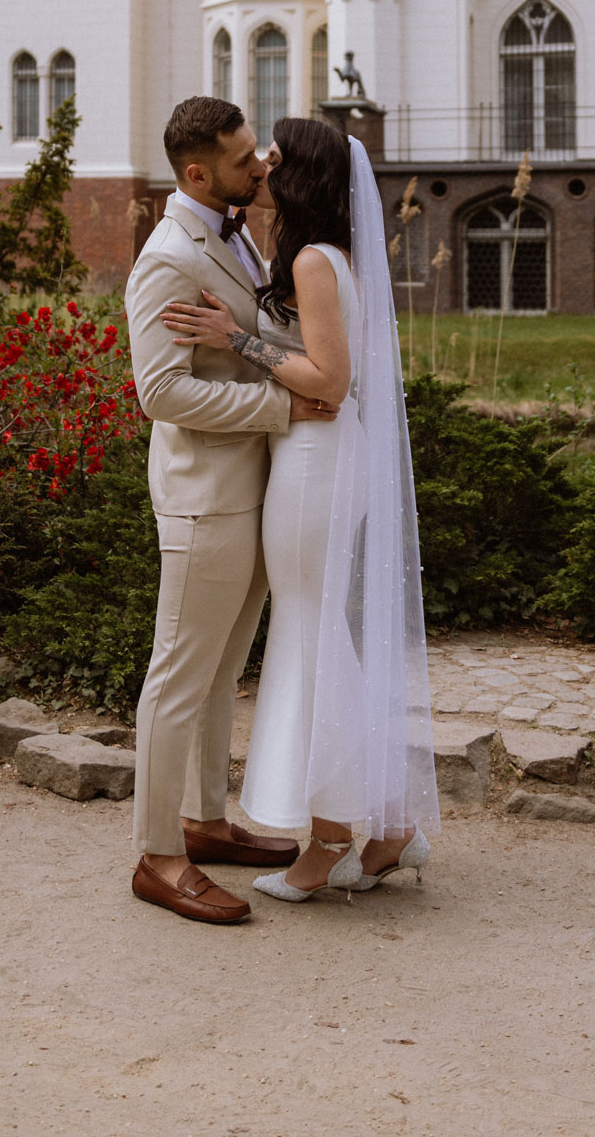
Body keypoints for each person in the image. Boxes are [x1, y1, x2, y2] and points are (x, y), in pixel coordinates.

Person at [162, 116, 439, 902]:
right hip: (314, 461)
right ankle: (385, 828)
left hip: (314, 463)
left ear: (304, 180)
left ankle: (328, 847)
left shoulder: (316, 261)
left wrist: (232, 337)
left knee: (313, 638)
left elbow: (328, 378)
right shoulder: (320, 255)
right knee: (318, 636)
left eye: (272, 162)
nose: (259, 170)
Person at [124, 96, 342, 925]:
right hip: (202, 498)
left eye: (261, 153)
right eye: (245, 157)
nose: (262, 167)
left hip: (254, 487)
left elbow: (256, 340)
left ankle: (207, 821)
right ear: (195, 171)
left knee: (220, 674)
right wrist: (282, 412)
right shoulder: (168, 259)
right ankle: (157, 856)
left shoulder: (239, 230)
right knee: (178, 676)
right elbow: (161, 392)